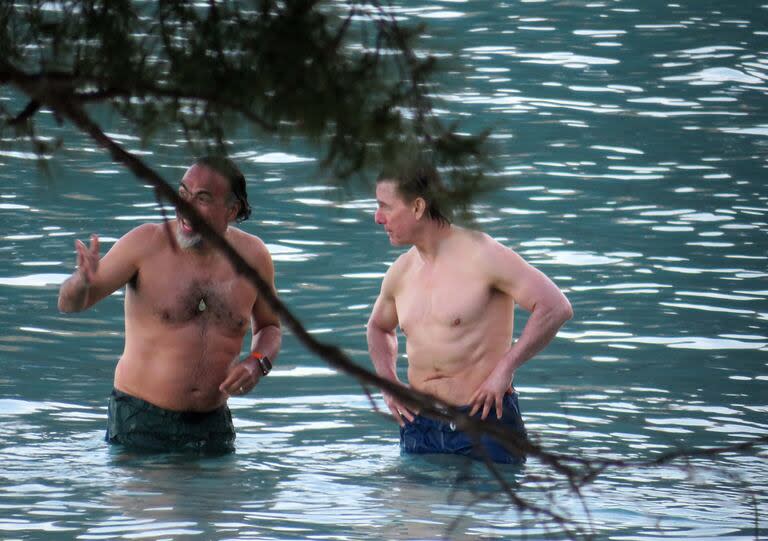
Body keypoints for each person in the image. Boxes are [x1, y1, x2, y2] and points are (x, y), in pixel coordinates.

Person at [58, 156, 281, 454]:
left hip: (212, 425)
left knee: (220, 502)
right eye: (183, 193)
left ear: (232, 210)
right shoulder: (144, 244)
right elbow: (70, 304)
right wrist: (80, 283)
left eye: (201, 198)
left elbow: (269, 327)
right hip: (141, 420)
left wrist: (257, 362)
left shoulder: (254, 258)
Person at [366, 161, 573, 464]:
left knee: (486, 512)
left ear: (418, 207)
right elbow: (378, 328)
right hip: (418, 426)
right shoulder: (400, 272)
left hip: (485, 423)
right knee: (408, 512)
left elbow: (556, 307)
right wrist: (389, 384)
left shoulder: (483, 255)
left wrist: (505, 370)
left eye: (385, 207)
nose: (378, 218)